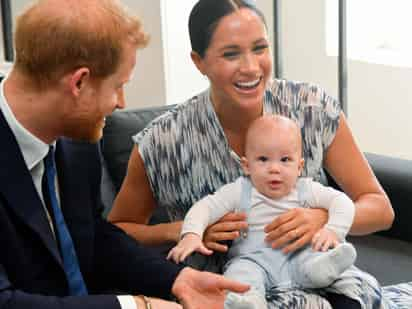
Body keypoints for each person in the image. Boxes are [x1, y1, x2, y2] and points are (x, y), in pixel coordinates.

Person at [108, 0, 394, 307]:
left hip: (319, 280)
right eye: (231, 54)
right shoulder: (161, 141)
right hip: (228, 294)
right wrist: (181, 231)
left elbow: (380, 209)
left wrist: (322, 218)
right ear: (198, 61)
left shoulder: (312, 108)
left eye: (260, 48)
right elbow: (115, 235)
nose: (251, 66)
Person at [0, 0, 250, 309]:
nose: (121, 102)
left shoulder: (79, 144)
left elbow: (95, 238)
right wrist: (137, 306)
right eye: (118, 86)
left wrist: (177, 279)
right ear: (79, 82)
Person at [167, 115, 358, 308]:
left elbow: (342, 202)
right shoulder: (240, 191)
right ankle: (248, 301)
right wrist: (191, 235)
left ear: (299, 167)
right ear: (247, 166)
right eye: (263, 159)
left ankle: (322, 271)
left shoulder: (306, 190)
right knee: (240, 275)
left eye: (285, 160)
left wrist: (333, 230)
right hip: (253, 260)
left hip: (299, 255)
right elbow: (204, 207)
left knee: (315, 257)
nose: (274, 168)